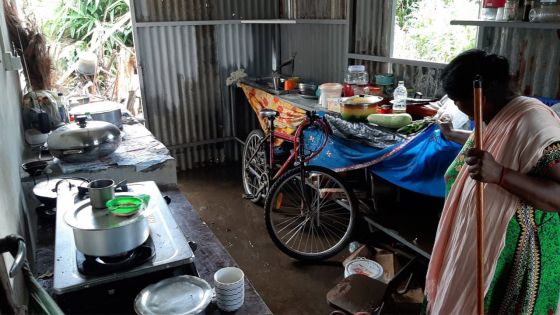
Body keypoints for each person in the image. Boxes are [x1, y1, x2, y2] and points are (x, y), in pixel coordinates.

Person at [425, 49, 560, 314]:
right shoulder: (499, 113)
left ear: (483, 95)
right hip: (483, 243)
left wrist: (499, 175)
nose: (475, 119)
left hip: (515, 257)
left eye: (470, 109)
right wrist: (452, 134)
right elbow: (494, 142)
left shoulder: (534, 123)